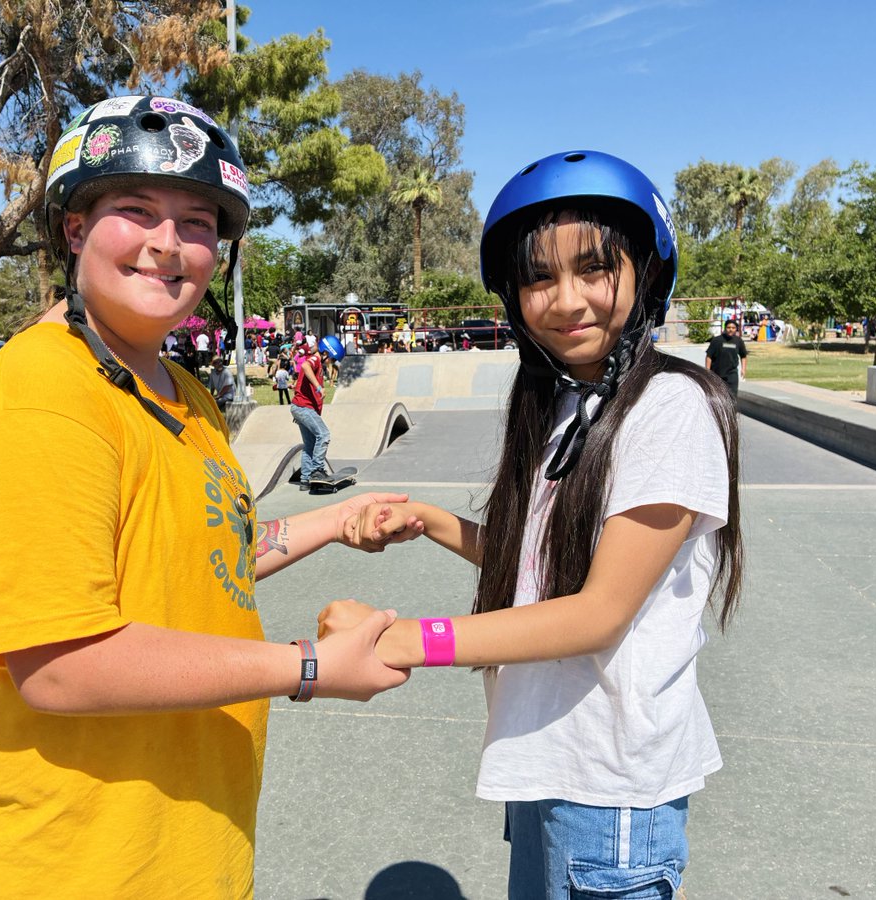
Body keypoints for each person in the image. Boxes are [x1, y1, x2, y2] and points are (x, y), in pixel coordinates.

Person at [0, 96, 416, 898]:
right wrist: (309, 667)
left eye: (196, 221)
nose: (167, 243)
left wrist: (338, 520)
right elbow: (59, 664)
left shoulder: (185, 391)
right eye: (136, 209)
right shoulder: (42, 395)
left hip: (182, 849)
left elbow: (203, 555)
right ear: (74, 230)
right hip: (66, 864)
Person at [321, 151, 743, 899]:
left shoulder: (670, 409)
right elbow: (544, 574)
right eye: (540, 277)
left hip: (611, 796)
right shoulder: (565, 405)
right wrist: (431, 520)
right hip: (554, 764)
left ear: (645, 270)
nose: (567, 299)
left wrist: (403, 640)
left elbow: (597, 613)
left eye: (593, 268)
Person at [291, 340, 330, 490]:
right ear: (325, 354)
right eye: (331, 358)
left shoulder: (319, 364)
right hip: (303, 408)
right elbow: (305, 366)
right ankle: (317, 471)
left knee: (310, 445)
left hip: (301, 408)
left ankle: (305, 480)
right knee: (324, 435)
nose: (330, 362)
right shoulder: (316, 359)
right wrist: (319, 387)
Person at [705, 318, 748, 396]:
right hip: (717, 373)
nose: (730, 330)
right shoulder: (717, 340)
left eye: (733, 328)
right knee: (718, 396)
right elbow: (709, 356)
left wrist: (743, 369)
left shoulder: (738, 341)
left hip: (732, 374)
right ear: (725, 328)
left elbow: (743, 356)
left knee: (732, 396)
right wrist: (707, 371)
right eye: (728, 327)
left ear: (736, 329)